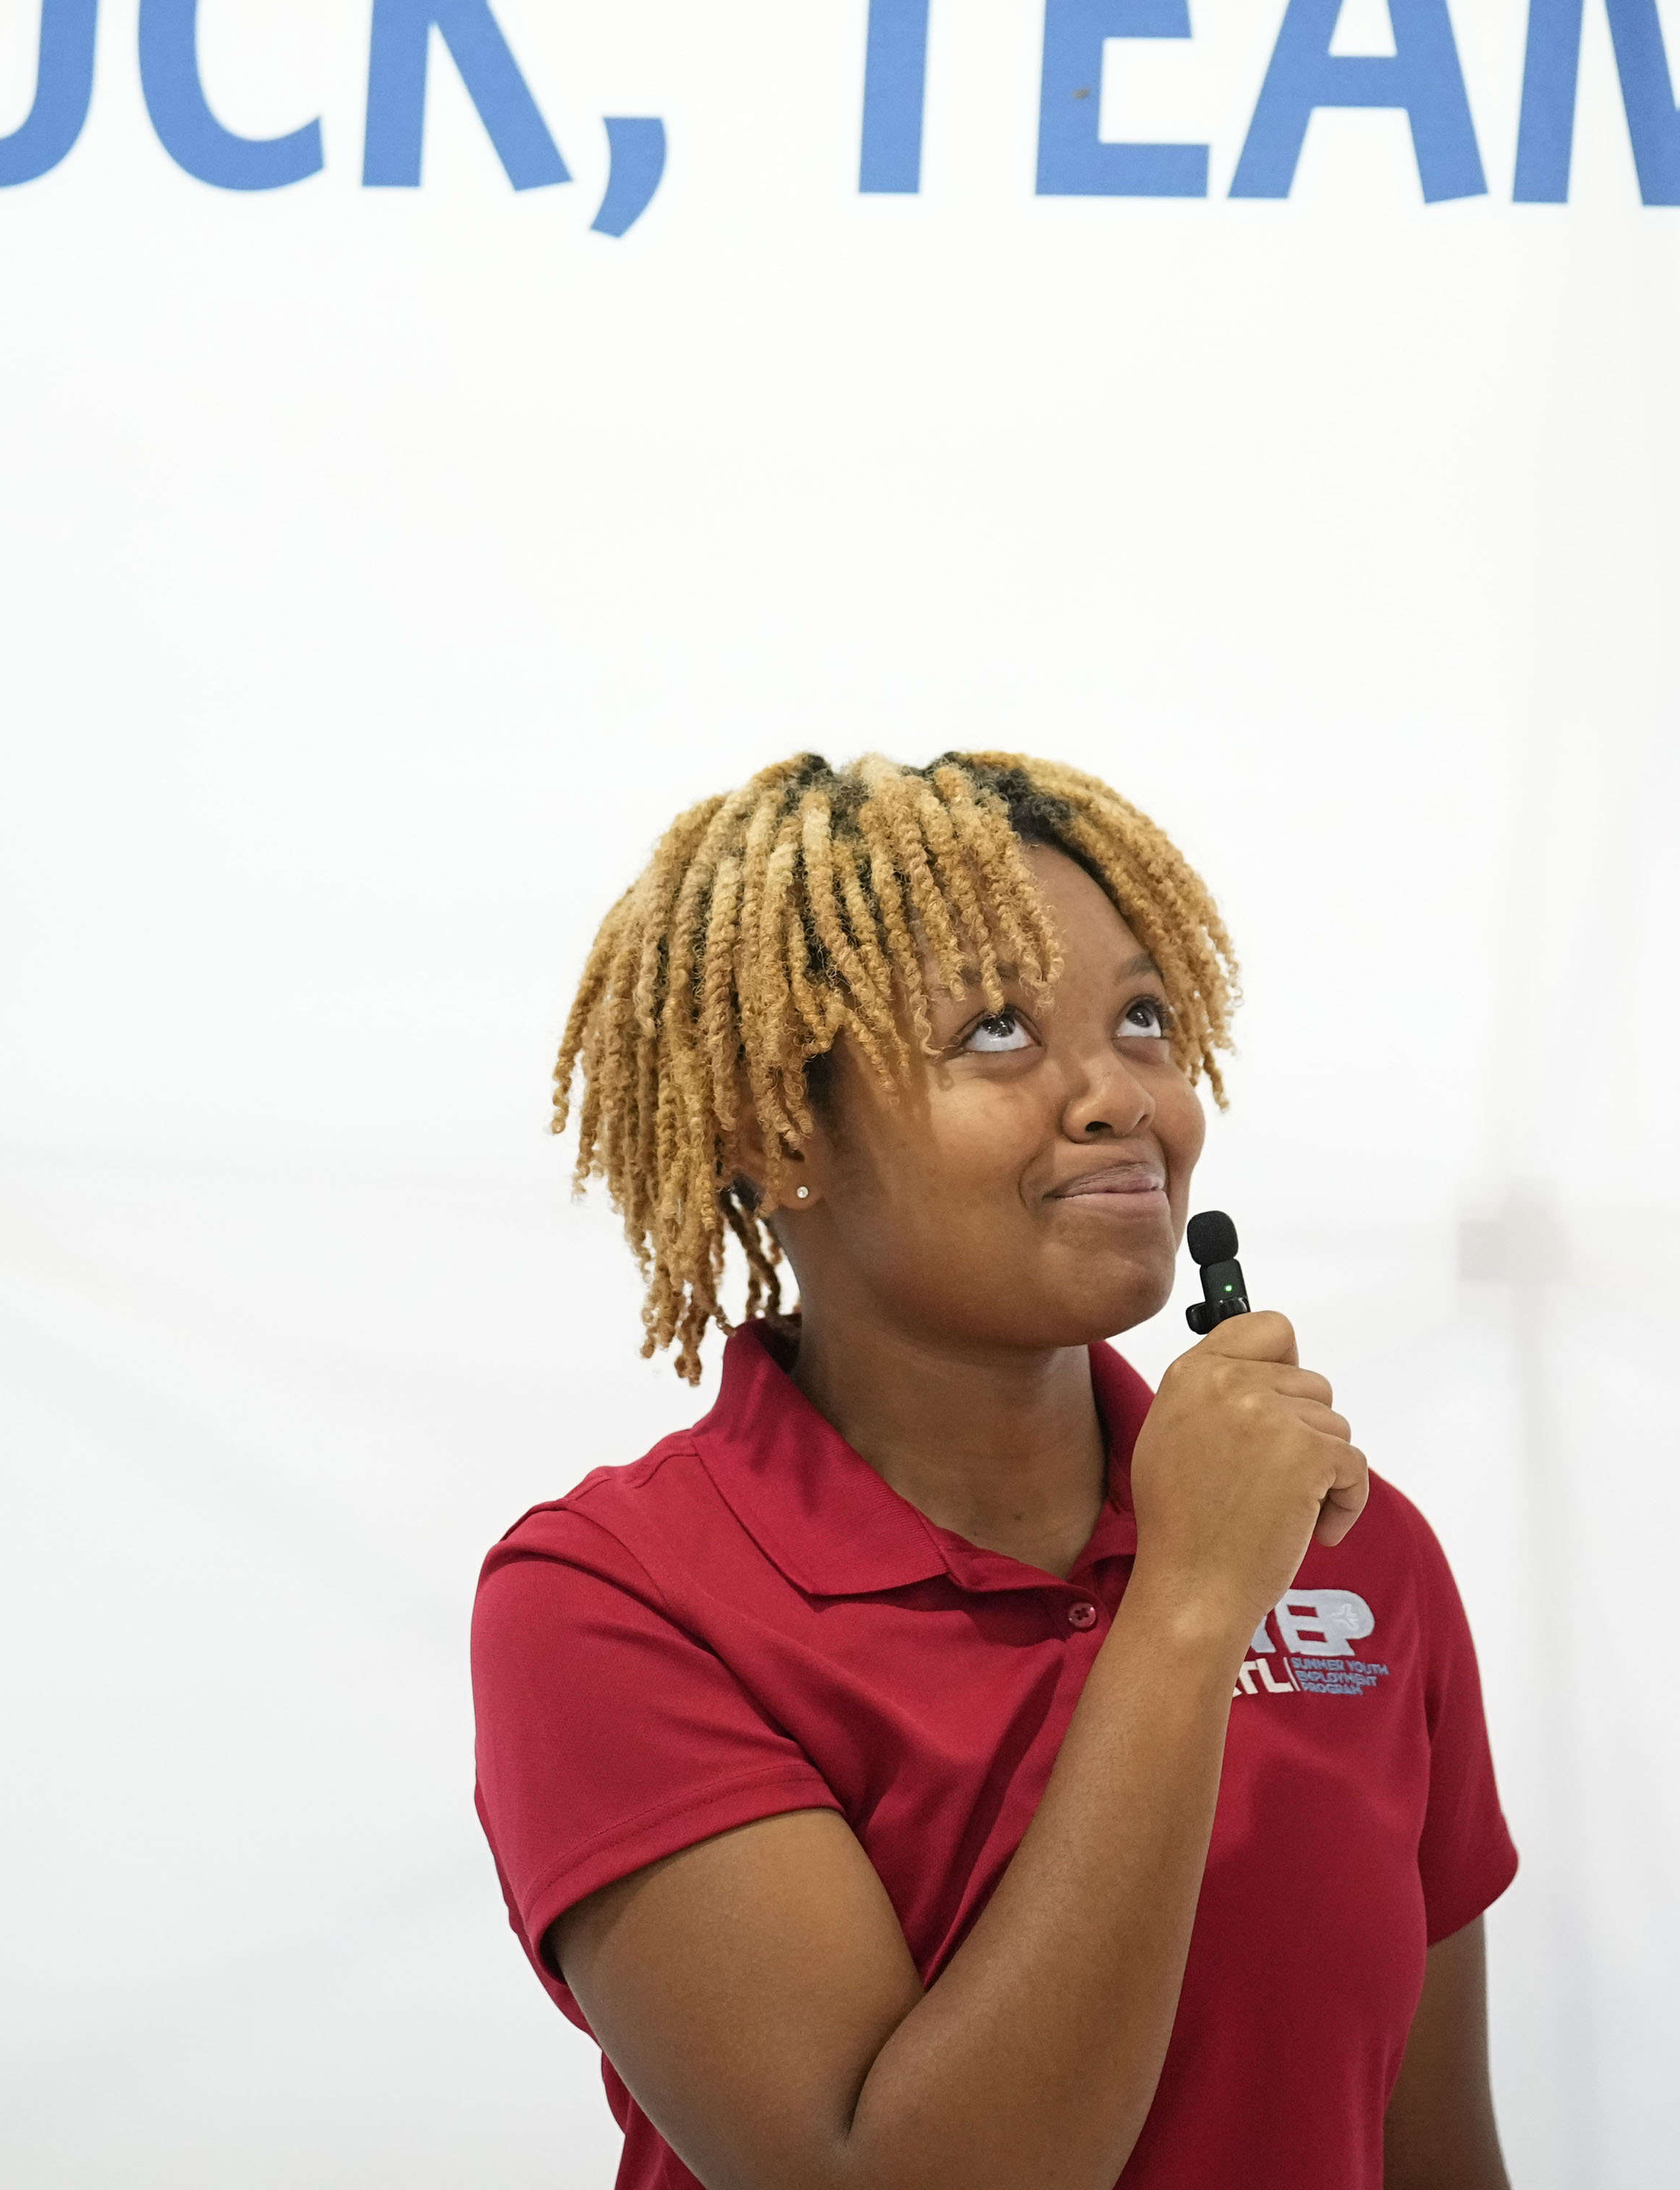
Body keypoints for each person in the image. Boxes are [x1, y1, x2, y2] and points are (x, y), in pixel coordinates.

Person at [473, 750, 1515, 2190]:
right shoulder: (614, 1600)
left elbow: (1437, 2162)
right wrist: (1192, 1606)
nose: (1122, 1097)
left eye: (1142, 1018)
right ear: (782, 1138)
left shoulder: (1353, 1551)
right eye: (997, 1034)